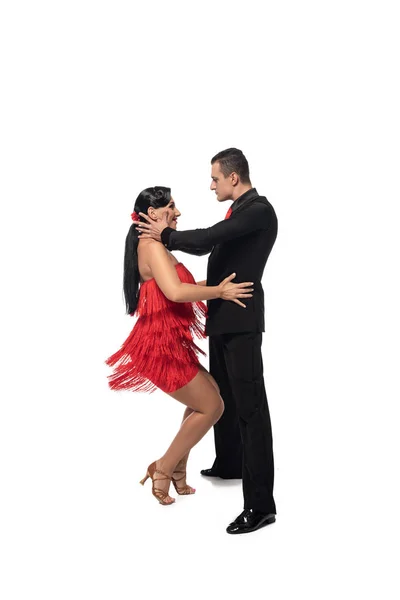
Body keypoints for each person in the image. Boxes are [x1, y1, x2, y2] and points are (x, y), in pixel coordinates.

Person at [133, 149, 278, 534]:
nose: (211, 184)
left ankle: (260, 506)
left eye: (215, 178)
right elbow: (179, 285)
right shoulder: (238, 210)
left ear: (234, 177)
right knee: (220, 398)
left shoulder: (258, 210)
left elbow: (209, 239)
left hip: (240, 319)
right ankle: (228, 463)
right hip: (221, 319)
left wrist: (166, 234)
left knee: (248, 411)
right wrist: (214, 292)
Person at [106, 186, 253, 506]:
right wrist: (219, 294)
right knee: (212, 406)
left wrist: (218, 287)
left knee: (210, 394)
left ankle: (177, 469)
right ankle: (163, 468)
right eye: (171, 206)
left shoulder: (155, 246)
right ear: (153, 214)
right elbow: (175, 293)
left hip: (171, 345)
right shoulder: (152, 247)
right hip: (159, 349)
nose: (178, 212)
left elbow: (180, 287)